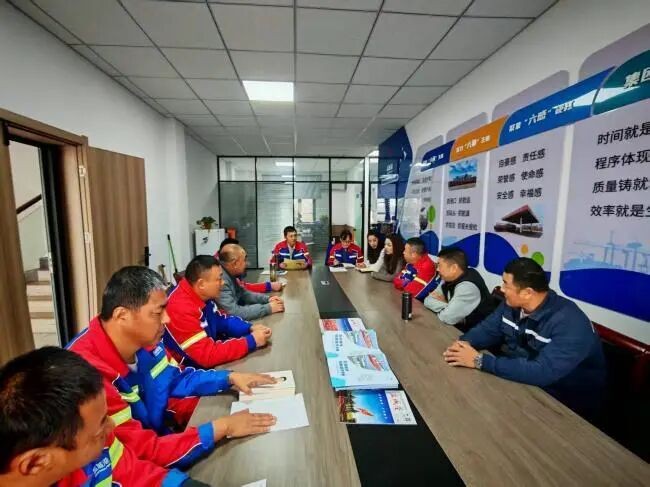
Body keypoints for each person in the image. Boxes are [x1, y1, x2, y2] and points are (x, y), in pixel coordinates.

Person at [67, 266, 277, 473]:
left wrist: (229, 378)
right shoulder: (86, 377)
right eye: (158, 312)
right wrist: (222, 427)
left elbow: (177, 379)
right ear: (122, 315)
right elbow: (142, 453)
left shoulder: (145, 341)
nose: (167, 319)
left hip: (162, 442)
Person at [0, 347, 205, 487]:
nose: (112, 425)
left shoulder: (74, 448)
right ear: (36, 463)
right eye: (98, 431)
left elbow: (132, 474)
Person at [443, 257, 606, 418]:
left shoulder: (571, 323)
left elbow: (542, 372)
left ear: (527, 293)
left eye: (506, 284)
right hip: (518, 380)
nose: (501, 289)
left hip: (562, 405)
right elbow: (487, 330)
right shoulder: (511, 304)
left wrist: (479, 361)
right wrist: (463, 344)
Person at [165, 255, 272, 368]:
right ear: (201, 284)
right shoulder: (180, 308)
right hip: (191, 371)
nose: (223, 283)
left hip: (208, 363)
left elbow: (221, 321)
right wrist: (251, 341)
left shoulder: (202, 294)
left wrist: (249, 328)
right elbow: (207, 356)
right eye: (219, 279)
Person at [424, 247, 497, 331]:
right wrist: (450, 307)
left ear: (453, 268)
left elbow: (447, 317)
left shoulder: (468, 287)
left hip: (475, 333)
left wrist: (451, 310)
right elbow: (428, 300)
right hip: (455, 327)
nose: (437, 269)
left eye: (439, 265)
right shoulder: (447, 278)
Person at [218, 244, 285, 321]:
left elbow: (244, 294)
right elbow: (234, 313)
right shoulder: (221, 279)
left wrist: (268, 299)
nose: (247, 263)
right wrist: (268, 308)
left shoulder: (229, 274)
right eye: (244, 260)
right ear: (235, 264)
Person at [393, 237, 438, 301]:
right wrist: (407, 283)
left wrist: (404, 283)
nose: (403, 252)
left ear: (413, 254)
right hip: (406, 299)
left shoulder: (427, 266)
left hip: (419, 304)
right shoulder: (411, 262)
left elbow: (411, 292)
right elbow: (396, 281)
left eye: (405, 250)